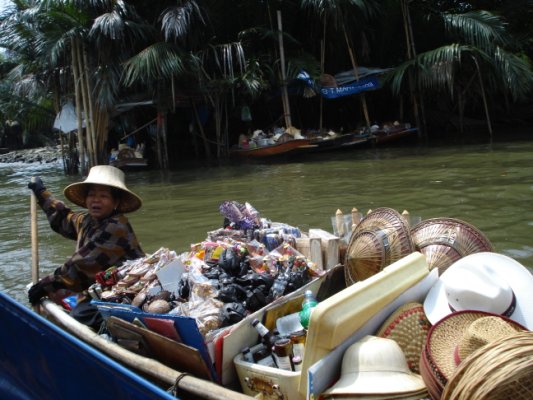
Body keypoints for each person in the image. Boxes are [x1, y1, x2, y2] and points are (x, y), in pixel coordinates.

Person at [27, 165, 145, 326]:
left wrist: (46, 285)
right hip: (101, 288)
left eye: (103, 196)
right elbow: (63, 218)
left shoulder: (116, 226)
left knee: (80, 315)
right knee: (71, 298)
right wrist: (41, 193)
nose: (96, 200)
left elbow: (81, 265)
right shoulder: (88, 220)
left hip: (126, 291)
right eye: (92, 195)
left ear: (115, 202)